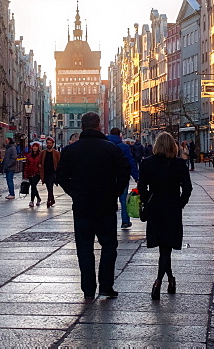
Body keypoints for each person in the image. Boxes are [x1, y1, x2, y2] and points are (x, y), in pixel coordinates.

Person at [56, 112, 130, 300]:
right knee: (109, 246)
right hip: (106, 206)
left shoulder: (70, 151)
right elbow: (123, 174)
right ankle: (106, 285)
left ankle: (88, 288)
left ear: (82, 127)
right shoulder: (111, 149)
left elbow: (62, 177)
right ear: (98, 126)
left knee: (84, 248)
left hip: (82, 206)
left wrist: (76, 193)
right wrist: (113, 193)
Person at [139, 131, 192, 300]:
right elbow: (188, 188)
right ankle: (161, 281)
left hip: (155, 209)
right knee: (166, 248)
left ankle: (166, 280)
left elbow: (142, 188)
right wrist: (180, 203)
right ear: (173, 146)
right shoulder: (179, 164)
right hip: (172, 210)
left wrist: (149, 201)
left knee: (163, 248)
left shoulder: (147, 163)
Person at [107, 128, 139, 229]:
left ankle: (109, 222)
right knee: (124, 199)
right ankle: (125, 221)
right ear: (119, 135)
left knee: (109, 200)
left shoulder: (105, 146)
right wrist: (136, 177)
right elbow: (131, 162)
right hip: (122, 177)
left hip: (108, 177)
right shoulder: (124, 147)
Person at [41, 137, 61, 207]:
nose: (49, 144)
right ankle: (52, 199)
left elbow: (59, 163)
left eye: (50, 143)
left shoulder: (56, 153)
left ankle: (49, 200)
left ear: (53, 144)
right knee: (48, 186)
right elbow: (41, 162)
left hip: (53, 172)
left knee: (50, 186)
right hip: (45, 172)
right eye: (48, 143)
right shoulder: (43, 153)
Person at [23, 141, 43, 207]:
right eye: (34, 146)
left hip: (37, 173)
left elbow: (43, 164)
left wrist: (40, 167)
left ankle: (32, 201)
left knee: (33, 186)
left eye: (36, 146)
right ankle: (38, 198)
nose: (34, 148)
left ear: (38, 148)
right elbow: (26, 165)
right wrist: (25, 175)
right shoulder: (29, 156)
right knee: (33, 187)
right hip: (30, 173)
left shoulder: (40, 155)